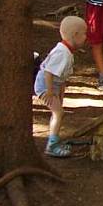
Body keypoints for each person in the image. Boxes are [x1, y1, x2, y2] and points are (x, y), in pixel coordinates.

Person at [34, 15, 88, 158]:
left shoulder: (67, 52)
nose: (86, 37)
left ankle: (55, 140)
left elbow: (62, 77)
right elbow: (48, 72)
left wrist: (60, 93)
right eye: (84, 34)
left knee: (58, 112)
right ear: (75, 35)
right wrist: (50, 92)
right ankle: (52, 145)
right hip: (45, 86)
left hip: (54, 86)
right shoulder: (62, 53)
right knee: (58, 113)